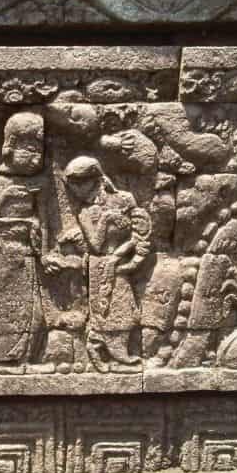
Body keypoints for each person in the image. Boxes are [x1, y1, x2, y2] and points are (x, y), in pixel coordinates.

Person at [0, 112, 48, 371]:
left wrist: (42, 247)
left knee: (35, 314)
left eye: (39, 150)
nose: (36, 157)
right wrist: (5, 196)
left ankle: (25, 359)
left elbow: (43, 223)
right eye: (29, 149)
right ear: (10, 145)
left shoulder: (37, 184)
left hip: (26, 252)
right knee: (3, 310)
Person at [64, 156, 152, 372]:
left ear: (95, 179)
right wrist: (106, 219)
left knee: (126, 308)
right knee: (107, 311)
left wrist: (122, 255)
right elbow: (95, 245)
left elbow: (139, 231)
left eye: (79, 183)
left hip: (120, 261)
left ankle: (101, 345)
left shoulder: (125, 199)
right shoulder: (85, 212)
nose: (75, 190)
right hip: (100, 264)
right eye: (72, 185)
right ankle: (105, 348)